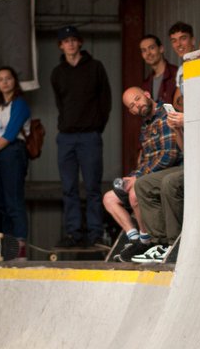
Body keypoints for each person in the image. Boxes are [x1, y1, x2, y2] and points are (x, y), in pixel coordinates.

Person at [103, 88, 183, 262]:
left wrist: (138, 178)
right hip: (150, 174)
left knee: (136, 191)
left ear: (147, 95)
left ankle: (148, 241)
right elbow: (146, 159)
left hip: (169, 170)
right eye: (132, 106)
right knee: (109, 198)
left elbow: (170, 154)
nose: (137, 106)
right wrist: (132, 176)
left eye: (138, 99)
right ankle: (135, 239)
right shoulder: (145, 126)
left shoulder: (164, 115)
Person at [51, 25, 112, 248]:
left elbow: (105, 101)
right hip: (66, 137)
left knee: (93, 187)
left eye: (73, 40)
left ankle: (95, 234)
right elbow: (61, 103)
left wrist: (96, 127)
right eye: (65, 41)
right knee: (68, 188)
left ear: (80, 43)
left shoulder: (95, 68)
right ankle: (74, 233)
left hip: (89, 136)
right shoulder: (57, 73)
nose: (70, 44)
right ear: (61, 45)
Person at [0, 66, 31, 243]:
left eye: (8, 78)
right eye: (1, 79)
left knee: (13, 201)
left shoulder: (20, 104)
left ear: (14, 81)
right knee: (1, 204)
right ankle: (8, 244)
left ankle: (20, 244)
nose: (4, 82)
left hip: (13, 152)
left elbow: (9, 135)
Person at [132, 110, 185, 264]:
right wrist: (176, 129)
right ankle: (160, 243)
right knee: (143, 184)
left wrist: (187, 121)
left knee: (169, 182)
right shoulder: (147, 125)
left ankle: (173, 244)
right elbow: (185, 149)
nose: (136, 107)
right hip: (188, 163)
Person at [140, 34, 178, 104]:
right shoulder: (146, 84)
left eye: (151, 48)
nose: (148, 53)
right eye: (144, 50)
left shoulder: (176, 74)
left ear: (161, 49)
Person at [169, 21, 196, 110]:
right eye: (174, 41)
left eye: (183, 38)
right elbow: (176, 105)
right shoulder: (181, 69)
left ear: (193, 40)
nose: (178, 44)